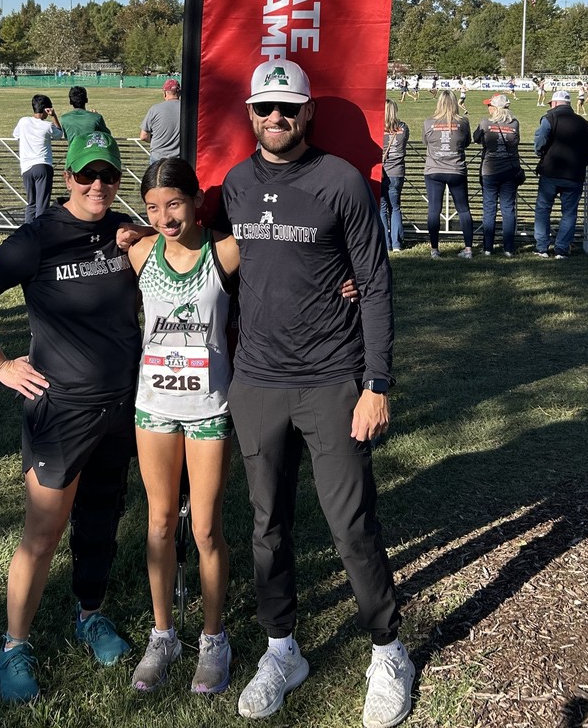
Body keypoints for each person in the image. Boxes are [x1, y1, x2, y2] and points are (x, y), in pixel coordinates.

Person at [216, 59, 414, 728]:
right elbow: (193, 240)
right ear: (250, 114)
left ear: (308, 115)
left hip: (333, 381)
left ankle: (388, 651)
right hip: (258, 382)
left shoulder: (342, 183)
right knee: (266, 528)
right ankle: (282, 650)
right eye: (265, 108)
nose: (277, 118)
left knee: (351, 527)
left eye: (288, 109)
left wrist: (375, 382)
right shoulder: (237, 186)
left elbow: (376, 284)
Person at [0, 131, 139, 704]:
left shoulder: (125, 231)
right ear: (68, 177)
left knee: (102, 518)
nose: (98, 185)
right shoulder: (37, 239)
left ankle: (91, 614)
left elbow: (191, 252)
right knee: (43, 532)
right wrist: (1, 365)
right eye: (87, 175)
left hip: (121, 407)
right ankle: (14, 645)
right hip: (61, 411)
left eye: (108, 174)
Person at [127, 158, 239, 695]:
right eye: (153, 208)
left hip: (209, 408)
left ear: (195, 199)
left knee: (205, 529)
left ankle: (214, 639)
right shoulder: (141, 250)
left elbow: (290, 257)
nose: (165, 217)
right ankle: (164, 635)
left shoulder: (225, 251)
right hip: (153, 406)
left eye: (174, 203)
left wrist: (346, 277)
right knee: (160, 523)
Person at [533, 90, 588, 259]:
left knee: (543, 209)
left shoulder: (549, 119)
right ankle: (561, 248)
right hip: (575, 174)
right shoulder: (583, 123)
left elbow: (539, 142)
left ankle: (542, 247)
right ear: (569, 104)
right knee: (569, 213)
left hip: (551, 172)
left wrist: (542, 154)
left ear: (554, 103)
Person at [422, 89, 474, 259]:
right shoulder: (463, 122)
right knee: (463, 209)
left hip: (434, 170)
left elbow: (426, 142)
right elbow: (466, 142)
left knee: (434, 210)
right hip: (456, 169)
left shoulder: (428, 122)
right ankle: (468, 249)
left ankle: (434, 249)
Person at [473, 94, 521, 257]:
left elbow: (475, 138)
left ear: (495, 108)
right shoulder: (515, 123)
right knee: (508, 209)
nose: (488, 108)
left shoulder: (485, 123)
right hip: (510, 170)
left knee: (489, 209)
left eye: (490, 106)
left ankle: (488, 248)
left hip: (489, 170)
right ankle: (508, 248)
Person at [12, 94, 64, 223]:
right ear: (47, 109)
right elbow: (59, 134)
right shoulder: (47, 126)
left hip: (26, 168)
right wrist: (54, 116)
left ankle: (28, 232)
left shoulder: (23, 121)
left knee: (32, 203)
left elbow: (16, 135)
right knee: (42, 204)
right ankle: (40, 233)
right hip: (42, 165)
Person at [381, 100, 409, 252]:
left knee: (382, 208)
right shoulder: (403, 128)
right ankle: (397, 243)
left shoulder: (378, 128)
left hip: (382, 171)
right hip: (397, 171)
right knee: (395, 207)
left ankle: (385, 244)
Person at [139, 79, 181, 161]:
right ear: (179, 92)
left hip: (158, 157)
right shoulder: (188, 110)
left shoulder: (155, 109)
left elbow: (143, 136)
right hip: (178, 159)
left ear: (165, 92)